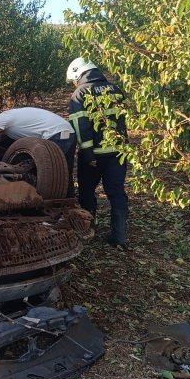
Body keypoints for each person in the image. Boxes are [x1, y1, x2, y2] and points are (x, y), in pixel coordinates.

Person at [67, 57, 129, 249]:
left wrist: (88, 155)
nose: (74, 84)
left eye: (74, 80)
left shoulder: (80, 93)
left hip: (94, 155)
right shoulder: (116, 89)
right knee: (116, 192)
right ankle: (120, 238)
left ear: (79, 74)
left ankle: (88, 231)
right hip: (118, 153)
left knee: (86, 191)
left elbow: (80, 125)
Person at [0, 106, 75, 197]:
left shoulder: (3, 117)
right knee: (65, 173)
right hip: (65, 131)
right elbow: (3, 143)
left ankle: (56, 206)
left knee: (50, 174)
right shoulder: (11, 123)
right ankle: (70, 203)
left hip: (59, 133)